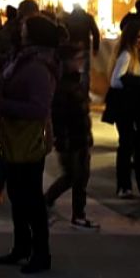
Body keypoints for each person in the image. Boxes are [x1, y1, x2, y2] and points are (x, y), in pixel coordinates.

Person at [0, 15, 59, 274]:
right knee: (17, 194)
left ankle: (40, 252)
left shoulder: (38, 66)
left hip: (30, 137)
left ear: (34, 34)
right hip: (15, 136)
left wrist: (2, 104)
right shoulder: (23, 59)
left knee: (30, 197)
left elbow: (38, 108)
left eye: (24, 27)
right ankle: (22, 245)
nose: (20, 30)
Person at [44, 23, 99, 230]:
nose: (81, 63)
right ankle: (54, 204)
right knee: (73, 176)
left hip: (80, 136)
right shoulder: (63, 86)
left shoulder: (75, 82)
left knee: (79, 177)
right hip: (71, 138)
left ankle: (77, 213)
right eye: (77, 60)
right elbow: (60, 115)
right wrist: (63, 139)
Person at [104, 21, 140, 198]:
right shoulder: (127, 56)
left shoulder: (135, 55)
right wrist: (135, 83)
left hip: (131, 107)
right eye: (139, 37)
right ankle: (128, 186)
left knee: (134, 146)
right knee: (130, 146)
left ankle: (133, 186)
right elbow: (115, 80)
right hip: (127, 108)